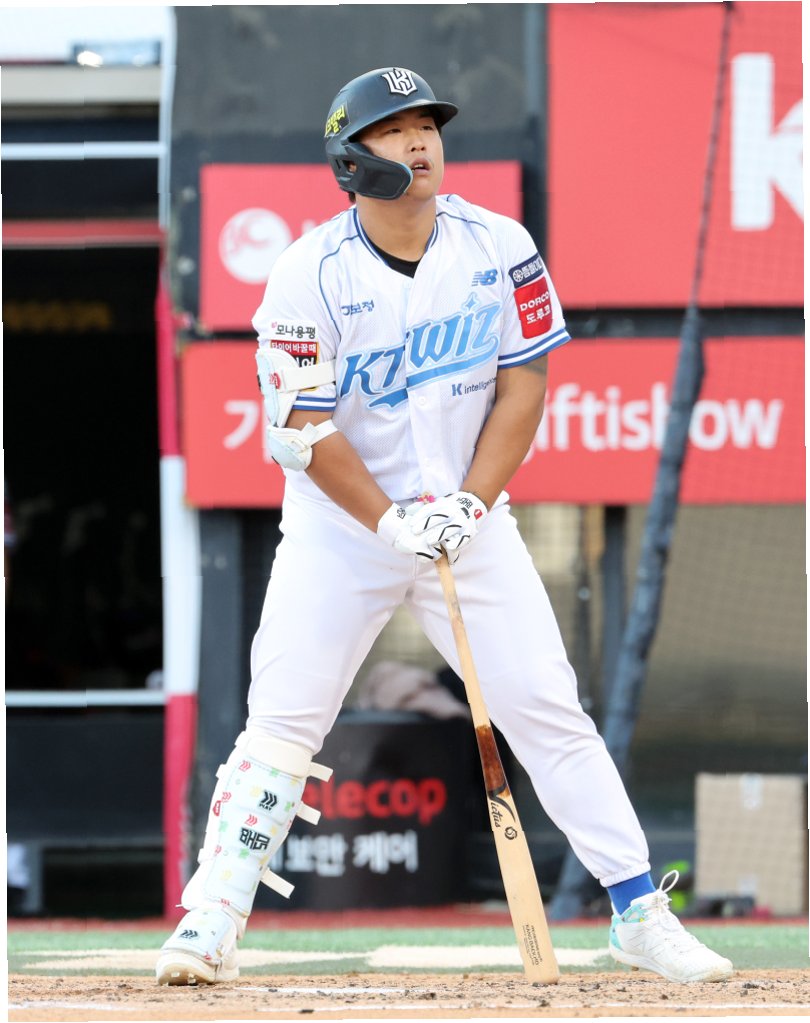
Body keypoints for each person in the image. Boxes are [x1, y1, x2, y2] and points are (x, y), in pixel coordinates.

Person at [157, 67, 732, 987]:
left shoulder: (499, 244)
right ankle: (214, 914)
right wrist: (390, 522)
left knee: (545, 706)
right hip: (344, 530)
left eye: (428, 123)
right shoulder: (307, 271)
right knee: (284, 718)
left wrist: (468, 501)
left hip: (470, 522)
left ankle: (637, 910)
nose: (420, 140)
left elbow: (525, 383)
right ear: (352, 158)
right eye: (395, 128)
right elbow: (302, 427)